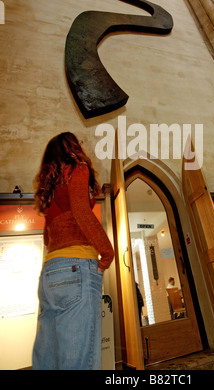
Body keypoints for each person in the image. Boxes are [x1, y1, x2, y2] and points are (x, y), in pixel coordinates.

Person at [32, 132, 114, 370]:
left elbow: (47, 236)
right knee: (79, 361)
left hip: (50, 273)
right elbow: (80, 209)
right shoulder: (77, 168)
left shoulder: (51, 187)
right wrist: (107, 252)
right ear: (73, 148)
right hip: (77, 268)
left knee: (47, 360)